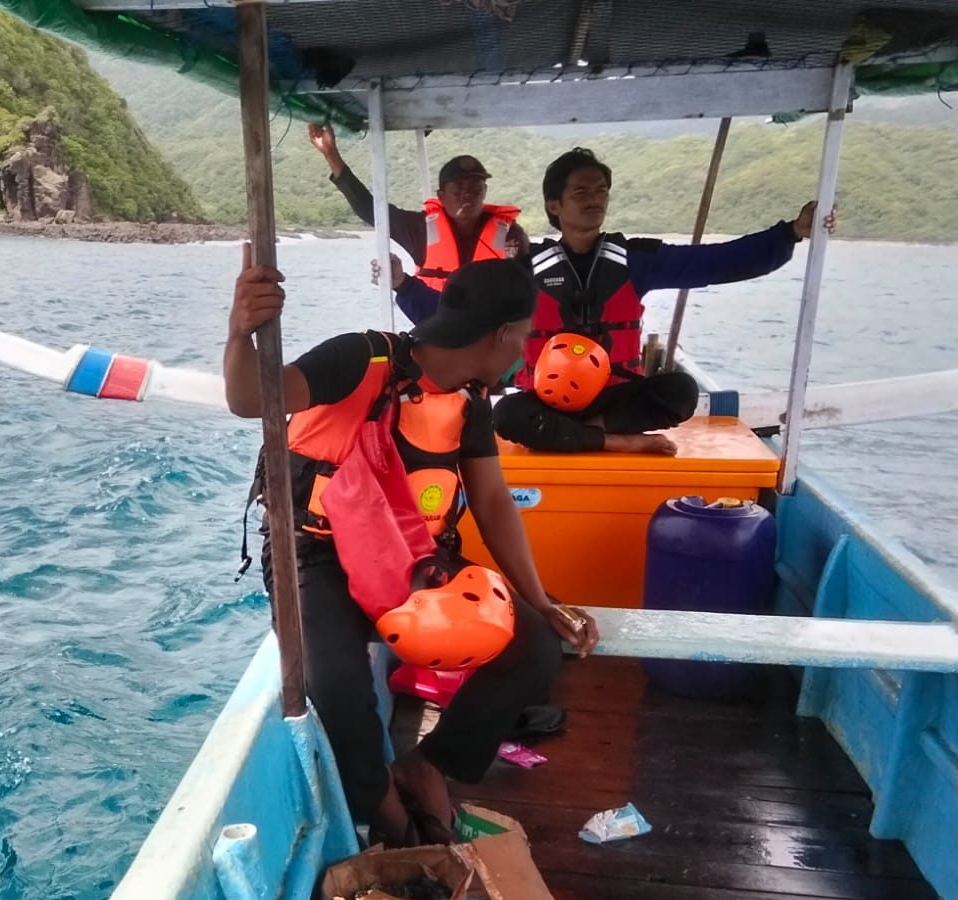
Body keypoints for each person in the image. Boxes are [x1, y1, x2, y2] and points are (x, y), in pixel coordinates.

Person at [226, 249, 600, 846]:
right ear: (503, 334)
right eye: (526, 337)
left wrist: (541, 599)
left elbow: (493, 502)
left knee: (531, 646)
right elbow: (252, 398)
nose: (526, 352)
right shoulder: (358, 357)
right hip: (312, 552)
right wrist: (241, 331)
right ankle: (391, 821)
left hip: (412, 559)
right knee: (337, 685)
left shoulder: (473, 401)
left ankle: (430, 766)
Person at [493, 147, 837, 455]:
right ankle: (614, 441)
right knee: (507, 414)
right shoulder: (524, 269)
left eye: (601, 190)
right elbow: (473, 305)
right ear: (554, 205)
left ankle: (579, 435)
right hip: (550, 400)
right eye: (580, 191)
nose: (594, 198)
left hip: (614, 399)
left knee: (682, 391)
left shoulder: (637, 259)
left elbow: (718, 261)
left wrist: (791, 232)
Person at [310, 123, 529, 323]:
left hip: (491, 338)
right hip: (436, 328)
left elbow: (525, 294)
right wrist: (331, 155)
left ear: (485, 193)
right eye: (457, 190)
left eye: (475, 190)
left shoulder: (511, 235)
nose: (467, 197)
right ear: (441, 196)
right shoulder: (420, 229)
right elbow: (371, 210)